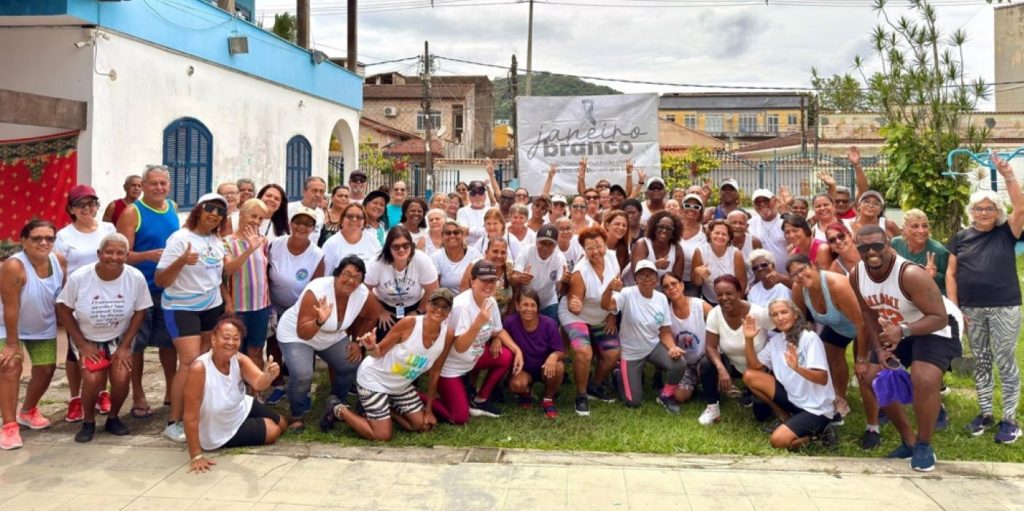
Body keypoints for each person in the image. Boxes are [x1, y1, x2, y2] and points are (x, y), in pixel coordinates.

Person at [851, 225, 960, 472]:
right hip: (897, 326)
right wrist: (879, 350)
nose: (871, 252)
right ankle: (909, 441)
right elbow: (868, 313)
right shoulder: (857, 274)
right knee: (872, 376)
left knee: (924, 378)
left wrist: (903, 331)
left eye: (877, 245)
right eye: (864, 248)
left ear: (889, 245)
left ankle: (924, 445)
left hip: (935, 326)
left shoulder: (910, 274)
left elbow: (939, 317)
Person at [947, 167, 1024, 444]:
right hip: (971, 310)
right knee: (981, 360)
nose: (983, 212)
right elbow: (951, 274)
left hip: (1005, 306)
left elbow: (1021, 207)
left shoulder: (1007, 232)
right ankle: (985, 413)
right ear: (971, 212)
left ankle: (1010, 419)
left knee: (1004, 359)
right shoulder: (961, 238)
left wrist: (1008, 175)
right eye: (979, 208)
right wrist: (955, 309)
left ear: (998, 211)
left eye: (989, 208)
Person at [320, 289, 456, 441]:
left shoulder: (448, 334)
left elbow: (436, 371)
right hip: (374, 379)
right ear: (428, 305)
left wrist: (429, 410)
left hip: (401, 385)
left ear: (449, 311)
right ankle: (337, 408)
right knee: (382, 435)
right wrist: (371, 346)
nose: (439, 310)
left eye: (445, 307)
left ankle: (383, 408)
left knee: (420, 425)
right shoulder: (410, 323)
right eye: (435, 304)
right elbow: (379, 352)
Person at [155, 193, 236, 443]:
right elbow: (160, 280)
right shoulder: (180, 238)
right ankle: (173, 422)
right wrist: (181, 261)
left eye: (220, 211)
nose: (214, 214)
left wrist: (226, 300)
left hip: (211, 306)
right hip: (181, 307)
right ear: (199, 209)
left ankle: (195, 413)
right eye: (210, 208)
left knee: (204, 361)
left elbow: (221, 275)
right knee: (189, 362)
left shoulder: (216, 240)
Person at [56, 233, 150, 442]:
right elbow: (63, 309)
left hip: (119, 337)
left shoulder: (135, 277)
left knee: (121, 377)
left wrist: (125, 346)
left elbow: (140, 311)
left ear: (126, 255)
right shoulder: (80, 277)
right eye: (109, 252)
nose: (114, 257)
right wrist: (82, 344)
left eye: (120, 253)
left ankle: (113, 417)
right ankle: (88, 421)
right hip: (88, 337)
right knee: (92, 379)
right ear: (99, 254)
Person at [276, 255, 381, 431]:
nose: (351, 281)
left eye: (357, 277)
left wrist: (358, 342)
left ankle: (335, 404)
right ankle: (297, 414)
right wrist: (319, 320)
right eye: (347, 274)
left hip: (332, 334)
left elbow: (373, 315)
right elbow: (303, 332)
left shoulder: (362, 293)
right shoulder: (316, 290)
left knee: (351, 363)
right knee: (302, 374)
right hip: (297, 334)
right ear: (337, 274)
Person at [184, 317, 287, 473]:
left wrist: (268, 375)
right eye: (226, 338)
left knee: (282, 423)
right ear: (213, 339)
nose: (231, 342)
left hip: (240, 406)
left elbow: (259, 383)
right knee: (273, 430)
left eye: (236, 338)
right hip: (218, 428)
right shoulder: (200, 368)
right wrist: (196, 456)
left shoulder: (239, 359)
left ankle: (253, 423)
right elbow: (190, 416)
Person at [116, 165, 178, 421]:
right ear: (143, 185)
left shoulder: (172, 207)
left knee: (169, 344)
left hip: (168, 288)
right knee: (137, 346)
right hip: (140, 290)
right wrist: (147, 256)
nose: (159, 188)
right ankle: (138, 394)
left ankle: (171, 391)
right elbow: (120, 254)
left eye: (163, 183)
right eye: (154, 183)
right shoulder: (132, 212)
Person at [0, 220, 66, 449]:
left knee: (46, 369)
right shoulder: (14, 266)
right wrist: (12, 343)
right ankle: (9, 426)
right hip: (7, 326)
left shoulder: (59, 261)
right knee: (10, 366)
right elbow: (11, 307)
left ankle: (27, 411)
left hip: (42, 326)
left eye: (49, 238)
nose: (43, 242)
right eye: (37, 238)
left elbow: (61, 297)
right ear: (24, 241)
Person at [429, 260, 521, 422]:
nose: (489, 285)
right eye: (483, 280)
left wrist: (517, 350)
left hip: (473, 358)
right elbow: (459, 347)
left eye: (492, 280)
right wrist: (478, 323)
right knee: (460, 417)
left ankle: (481, 399)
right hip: (450, 367)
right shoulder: (461, 306)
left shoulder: (490, 301)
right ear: (472, 281)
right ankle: (415, 397)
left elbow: (498, 330)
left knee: (506, 356)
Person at [55, 184, 117, 421]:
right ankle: (76, 397)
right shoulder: (64, 236)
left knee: (106, 346)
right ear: (71, 209)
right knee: (75, 351)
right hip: (78, 300)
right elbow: (61, 271)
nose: (87, 208)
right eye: (81, 205)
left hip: (108, 298)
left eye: (91, 204)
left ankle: (102, 392)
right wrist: (62, 303)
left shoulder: (108, 229)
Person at [741, 299, 837, 450]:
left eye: (784, 312)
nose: (780, 317)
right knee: (749, 376)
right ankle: (784, 417)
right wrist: (748, 339)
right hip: (793, 398)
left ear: (795, 315)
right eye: (775, 315)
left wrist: (798, 368)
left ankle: (819, 435)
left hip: (816, 408)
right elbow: (754, 367)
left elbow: (822, 378)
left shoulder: (809, 338)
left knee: (778, 441)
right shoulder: (776, 341)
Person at [788, 254, 868, 424]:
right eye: (794, 274)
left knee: (865, 371)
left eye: (802, 269)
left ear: (813, 265)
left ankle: (878, 409)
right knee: (826, 360)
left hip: (866, 326)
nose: (800, 276)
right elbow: (801, 321)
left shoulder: (837, 285)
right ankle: (840, 399)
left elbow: (861, 323)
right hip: (838, 327)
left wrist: (861, 359)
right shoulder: (798, 289)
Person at [601, 261, 686, 413]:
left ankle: (666, 395)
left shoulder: (661, 298)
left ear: (656, 278)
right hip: (631, 352)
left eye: (650, 275)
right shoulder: (627, 293)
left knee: (679, 363)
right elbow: (606, 306)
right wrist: (609, 289)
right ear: (636, 279)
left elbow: (665, 331)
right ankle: (619, 372)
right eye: (642, 275)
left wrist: (672, 347)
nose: (647, 278)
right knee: (633, 402)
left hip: (653, 346)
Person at [559, 226, 622, 416]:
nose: (595, 252)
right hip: (576, 316)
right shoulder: (580, 272)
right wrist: (575, 306)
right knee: (583, 351)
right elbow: (573, 304)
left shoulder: (613, 258)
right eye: (589, 248)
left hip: (601, 314)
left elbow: (615, 292)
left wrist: (612, 316)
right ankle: (581, 395)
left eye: (598, 246)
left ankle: (594, 386)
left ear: (605, 244)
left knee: (612, 354)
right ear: (584, 250)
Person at [265, 207, 326, 404]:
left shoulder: (317, 254)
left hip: (301, 308)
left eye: (307, 224)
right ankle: (277, 385)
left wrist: (303, 313)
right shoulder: (275, 244)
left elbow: (316, 286)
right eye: (298, 222)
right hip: (274, 304)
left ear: (313, 229)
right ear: (290, 224)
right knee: (273, 343)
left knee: (304, 343)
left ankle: (303, 390)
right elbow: (265, 272)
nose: (301, 227)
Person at [697, 275, 772, 426]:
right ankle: (712, 407)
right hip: (733, 365)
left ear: (739, 292)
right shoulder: (715, 314)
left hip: (758, 368)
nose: (724, 298)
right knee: (706, 364)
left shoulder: (757, 313)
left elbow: (782, 328)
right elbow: (710, 346)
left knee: (762, 416)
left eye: (729, 293)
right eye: (719, 294)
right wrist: (721, 369)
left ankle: (752, 392)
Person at [222, 199, 272, 370]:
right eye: (253, 216)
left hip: (261, 306)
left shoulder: (263, 241)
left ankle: (255, 386)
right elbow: (228, 270)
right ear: (241, 215)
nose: (256, 221)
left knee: (256, 350)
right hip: (238, 307)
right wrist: (249, 249)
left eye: (260, 218)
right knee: (234, 351)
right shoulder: (226, 242)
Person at [365, 226, 440, 334]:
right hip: (385, 305)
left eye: (405, 245)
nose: (401, 250)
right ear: (388, 247)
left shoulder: (422, 259)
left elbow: (433, 290)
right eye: (396, 246)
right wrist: (380, 311)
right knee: (382, 336)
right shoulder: (376, 262)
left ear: (411, 245)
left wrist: (419, 311)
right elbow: (364, 290)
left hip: (415, 305)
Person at [505, 290, 565, 419]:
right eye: (525, 304)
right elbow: (500, 333)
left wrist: (553, 356)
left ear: (538, 308)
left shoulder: (549, 324)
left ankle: (548, 398)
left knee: (559, 366)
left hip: (545, 368)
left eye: (533, 305)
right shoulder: (510, 322)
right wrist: (497, 340)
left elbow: (561, 351)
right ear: (517, 306)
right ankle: (526, 391)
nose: (529, 309)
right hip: (524, 369)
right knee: (516, 385)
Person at [661, 272, 712, 407]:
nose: (671, 288)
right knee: (680, 396)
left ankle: (707, 381)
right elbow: (664, 333)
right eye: (666, 286)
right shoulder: (665, 311)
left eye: (674, 284)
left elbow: (718, 323)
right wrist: (672, 347)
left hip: (705, 357)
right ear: (664, 292)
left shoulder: (700, 305)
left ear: (682, 285)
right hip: (685, 362)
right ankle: (693, 384)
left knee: (707, 371)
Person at [512, 224, 569, 324]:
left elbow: (561, 289)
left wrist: (564, 282)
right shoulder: (526, 251)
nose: (545, 247)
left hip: (548, 302)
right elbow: (513, 277)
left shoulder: (559, 258)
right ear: (536, 241)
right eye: (542, 243)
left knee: (551, 328)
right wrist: (520, 278)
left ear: (555, 245)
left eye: (550, 244)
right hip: (527, 302)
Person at [892, 209, 948, 295]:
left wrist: (934, 276)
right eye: (915, 226)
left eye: (925, 226)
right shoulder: (895, 244)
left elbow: (951, 279)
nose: (921, 231)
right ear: (904, 229)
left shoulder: (939, 251)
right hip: (901, 295)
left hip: (930, 297)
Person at [692, 220, 747, 304]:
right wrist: (698, 273)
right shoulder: (700, 251)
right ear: (710, 234)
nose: (720, 236)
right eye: (717, 233)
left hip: (732, 301)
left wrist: (737, 303)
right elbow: (697, 283)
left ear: (729, 238)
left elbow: (742, 283)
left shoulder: (736, 254)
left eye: (724, 234)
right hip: (710, 300)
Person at [322, 203, 382, 276]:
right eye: (350, 216)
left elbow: (380, 269)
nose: (354, 219)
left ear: (364, 221)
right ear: (342, 219)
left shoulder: (373, 241)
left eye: (359, 217)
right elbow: (324, 276)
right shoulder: (331, 244)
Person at [460, 237, 515, 315]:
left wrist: (508, 315)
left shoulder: (510, 268)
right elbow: (463, 293)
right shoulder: (475, 266)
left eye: (503, 252)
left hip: (503, 317)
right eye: (495, 251)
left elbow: (516, 292)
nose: (499, 256)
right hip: (476, 316)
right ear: (486, 252)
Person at [631, 210, 685, 281]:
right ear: (654, 228)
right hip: (641, 286)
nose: (664, 230)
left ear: (673, 232)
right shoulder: (642, 244)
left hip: (665, 287)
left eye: (669, 229)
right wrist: (654, 266)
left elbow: (677, 280)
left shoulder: (677, 249)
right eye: (660, 226)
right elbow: (636, 276)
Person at [432, 219, 482, 293]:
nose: (452, 235)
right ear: (442, 236)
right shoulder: (436, 257)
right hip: (446, 299)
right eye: (448, 233)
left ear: (462, 235)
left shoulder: (475, 254)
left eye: (456, 232)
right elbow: (434, 289)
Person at [678, 193, 708, 296]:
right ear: (681, 209)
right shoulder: (672, 227)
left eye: (696, 207)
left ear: (700, 212)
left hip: (692, 283)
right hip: (671, 279)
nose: (691, 209)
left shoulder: (706, 232)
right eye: (687, 205)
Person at [602, 210, 632, 283]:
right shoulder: (597, 244)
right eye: (617, 224)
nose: (621, 227)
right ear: (607, 225)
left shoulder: (626, 249)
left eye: (624, 225)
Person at [458, 180, 490, 246]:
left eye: (481, 192)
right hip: (468, 248)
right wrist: (484, 231)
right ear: (469, 195)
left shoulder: (492, 211)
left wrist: (469, 230)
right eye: (473, 193)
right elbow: (463, 231)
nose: (477, 196)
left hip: (488, 247)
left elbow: (492, 232)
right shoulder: (462, 211)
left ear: (485, 195)